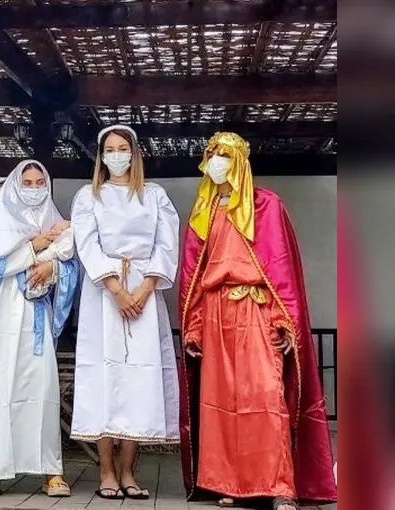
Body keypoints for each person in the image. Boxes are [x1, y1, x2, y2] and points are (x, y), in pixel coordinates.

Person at [178, 132, 337, 509]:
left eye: (225, 155)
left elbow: (282, 272)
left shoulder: (267, 205)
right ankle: (230, 484)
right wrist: (195, 325)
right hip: (216, 313)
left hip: (256, 310)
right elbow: (194, 277)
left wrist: (283, 321)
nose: (216, 161)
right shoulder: (204, 211)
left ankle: (280, 486)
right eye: (212, 154)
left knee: (267, 398)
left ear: (240, 161)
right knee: (219, 405)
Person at [69, 125, 180, 501]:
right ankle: (105, 470)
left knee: (138, 380)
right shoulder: (89, 196)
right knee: (105, 377)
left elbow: (167, 245)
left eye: (122, 148)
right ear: (101, 156)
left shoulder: (155, 196)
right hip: (104, 294)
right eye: (109, 149)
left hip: (145, 295)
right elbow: (86, 243)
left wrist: (145, 289)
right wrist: (116, 288)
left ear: (134, 154)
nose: (116, 155)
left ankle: (129, 470)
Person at [0, 160, 80, 497]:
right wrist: (35, 247)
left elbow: (71, 269)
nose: (33, 188)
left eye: (39, 181)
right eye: (26, 182)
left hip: (34, 318)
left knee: (40, 391)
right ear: (14, 187)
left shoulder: (58, 224)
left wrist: (52, 269)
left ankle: (50, 470)